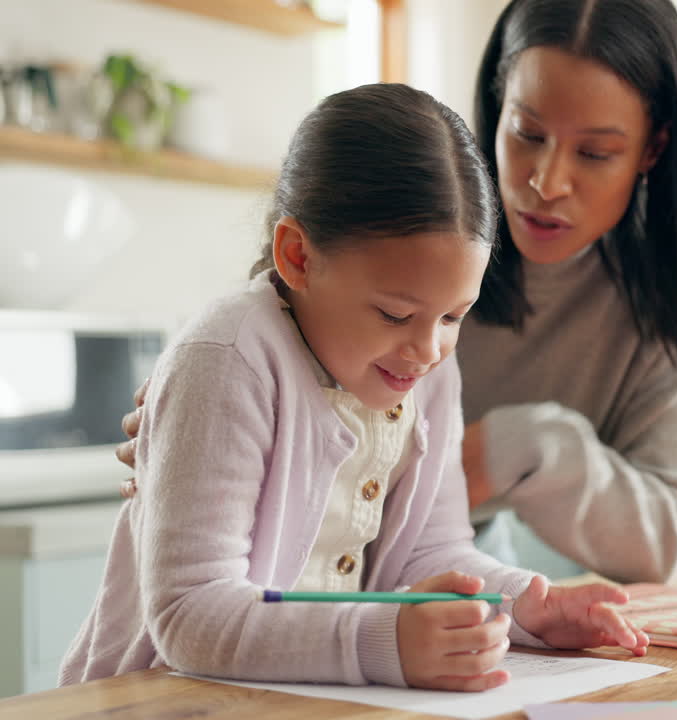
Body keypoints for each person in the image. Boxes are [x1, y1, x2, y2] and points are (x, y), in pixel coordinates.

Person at [116, 0, 677, 585]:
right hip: (295, 608)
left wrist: (524, 449)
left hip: (400, 599)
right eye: (527, 133)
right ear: (495, 102)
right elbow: (259, 375)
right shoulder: (417, 231)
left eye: (594, 153)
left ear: (652, 149)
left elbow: (658, 543)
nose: (545, 181)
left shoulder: (663, 303)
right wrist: (206, 425)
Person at [62, 83, 647, 693]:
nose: (427, 350)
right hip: (157, 699)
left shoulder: (429, 371)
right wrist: (380, 641)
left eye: (453, 317)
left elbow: (434, 554)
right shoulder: (228, 357)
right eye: (395, 315)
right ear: (298, 257)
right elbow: (189, 614)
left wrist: (526, 603)